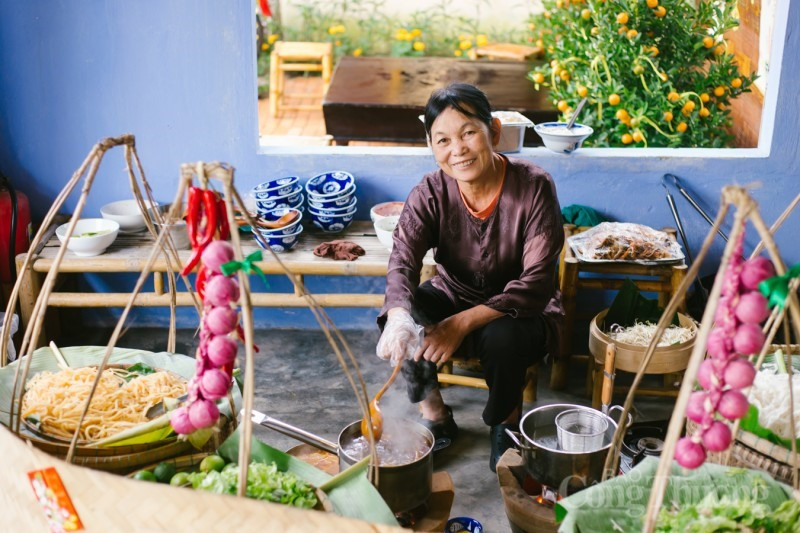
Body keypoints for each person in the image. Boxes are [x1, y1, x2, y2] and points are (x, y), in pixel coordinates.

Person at [375, 82, 565, 472]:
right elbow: (402, 262)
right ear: (431, 146)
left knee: (503, 337)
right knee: (406, 316)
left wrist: (461, 323)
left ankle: (506, 424)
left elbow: (536, 283)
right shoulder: (430, 191)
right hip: (454, 292)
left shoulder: (533, 186)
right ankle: (436, 415)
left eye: (468, 133)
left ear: (493, 132)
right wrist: (398, 315)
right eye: (442, 139)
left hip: (523, 309)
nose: (457, 150)